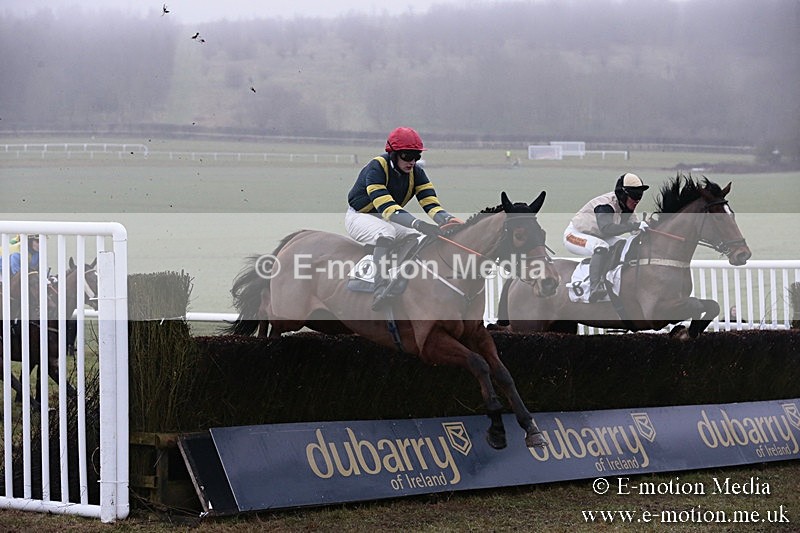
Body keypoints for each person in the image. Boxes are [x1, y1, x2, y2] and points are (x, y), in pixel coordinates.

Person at [346, 127, 461, 310]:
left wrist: (449, 220)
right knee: (387, 232)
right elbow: (387, 208)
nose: (412, 161)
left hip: (385, 218)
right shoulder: (376, 168)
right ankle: (379, 287)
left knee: (415, 236)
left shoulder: (417, 172)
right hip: (360, 217)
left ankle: (399, 278)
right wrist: (419, 223)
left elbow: (430, 203)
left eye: (416, 156)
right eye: (407, 156)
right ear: (394, 154)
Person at [563, 173, 650, 302]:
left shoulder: (626, 208)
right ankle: (594, 288)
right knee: (601, 247)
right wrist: (635, 226)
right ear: (623, 194)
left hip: (597, 236)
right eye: (634, 195)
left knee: (625, 244)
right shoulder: (605, 205)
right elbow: (607, 228)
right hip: (575, 235)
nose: (637, 199)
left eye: (640, 195)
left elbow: (636, 234)